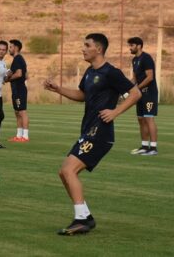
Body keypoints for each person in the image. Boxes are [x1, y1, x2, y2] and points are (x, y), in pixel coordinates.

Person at [43, 33, 140, 235]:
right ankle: (85, 216)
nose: (83, 48)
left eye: (87, 45)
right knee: (64, 173)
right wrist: (58, 89)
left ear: (98, 49)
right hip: (88, 129)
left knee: (69, 171)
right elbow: (83, 95)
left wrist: (115, 112)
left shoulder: (111, 72)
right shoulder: (89, 72)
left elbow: (136, 93)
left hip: (100, 132)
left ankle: (81, 220)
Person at [127, 37, 159, 156]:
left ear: (139, 46)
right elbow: (134, 78)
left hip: (149, 93)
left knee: (149, 118)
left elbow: (150, 77)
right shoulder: (135, 60)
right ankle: (145, 146)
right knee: (141, 119)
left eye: (132, 45)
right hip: (140, 94)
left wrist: (137, 88)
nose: (130, 48)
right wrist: (125, 88)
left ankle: (153, 148)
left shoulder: (146, 58)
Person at [6, 39, 30, 142]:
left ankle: (25, 136)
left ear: (15, 48)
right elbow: (26, 75)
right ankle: (19, 135)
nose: (9, 49)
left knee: (22, 112)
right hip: (16, 90)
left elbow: (19, 74)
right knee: (17, 112)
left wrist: (8, 79)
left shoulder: (18, 59)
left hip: (19, 90)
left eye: (10, 47)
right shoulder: (17, 60)